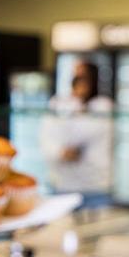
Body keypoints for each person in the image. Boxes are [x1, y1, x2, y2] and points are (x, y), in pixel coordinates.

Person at [40, 62, 114, 207]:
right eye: (76, 77)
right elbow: (45, 138)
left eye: (84, 77)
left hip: (96, 187)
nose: (79, 81)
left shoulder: (104, 106)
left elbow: (81, 134)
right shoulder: (58, 103)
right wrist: (60, 152)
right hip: (62, 186)